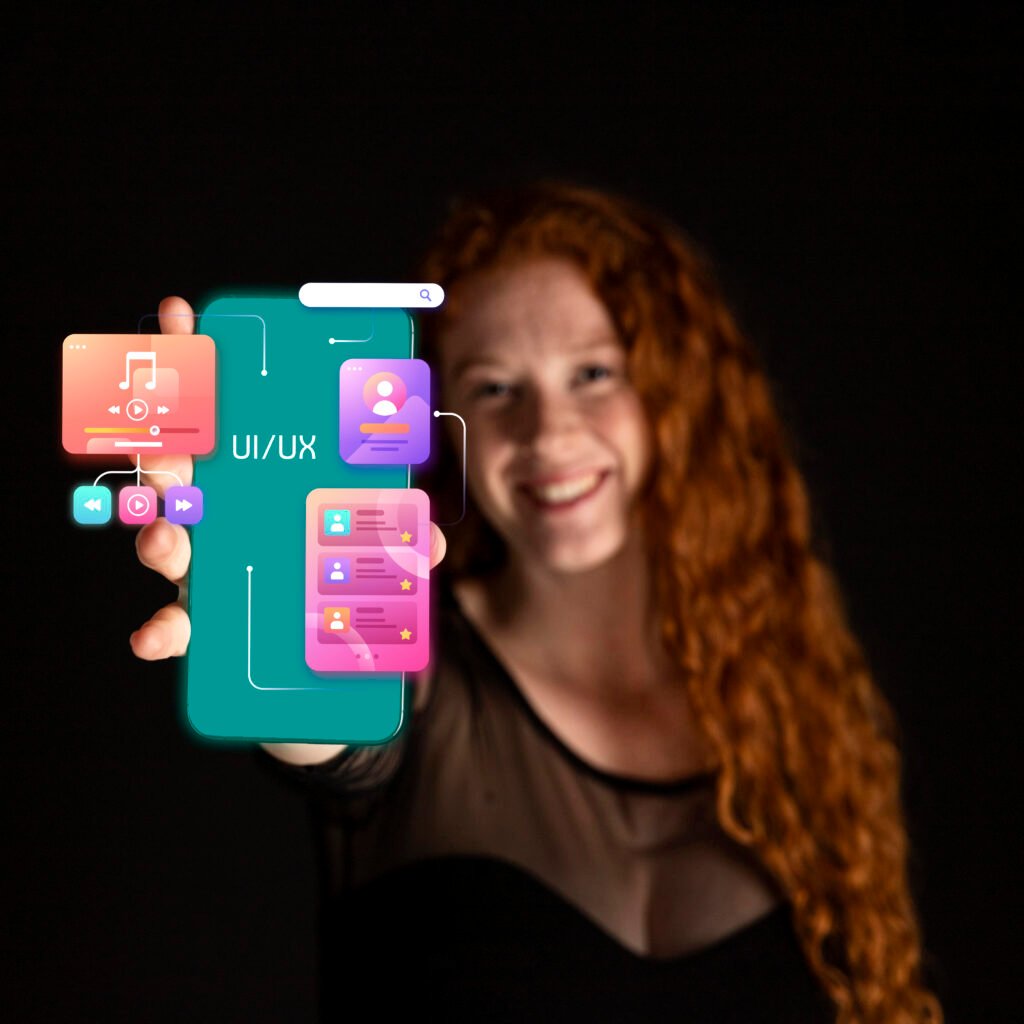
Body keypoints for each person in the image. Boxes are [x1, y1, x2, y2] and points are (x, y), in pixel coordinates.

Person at [131, 184, 941, 1022]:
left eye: (592, 374)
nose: (548, 433)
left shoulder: (799, 709)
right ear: (443, 426)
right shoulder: (416, 667)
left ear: (676, 393)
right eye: (494, 389)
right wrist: (257, 612)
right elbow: (328, 725)